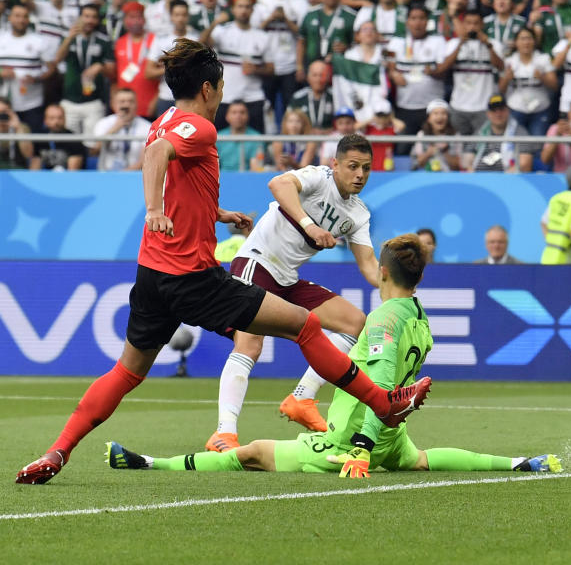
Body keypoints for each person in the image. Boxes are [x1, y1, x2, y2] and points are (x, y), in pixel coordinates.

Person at [15, 39, 431, 485]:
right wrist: (154, 209)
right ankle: (382, 404)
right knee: (305, 327)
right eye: (222, 88)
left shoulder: (163, 121)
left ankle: (57, 452)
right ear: (209, 88)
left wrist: (217, 213)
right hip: (194, 278)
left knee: (126, 372)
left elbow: (167, 167)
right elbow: (158, 160)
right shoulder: (202, 128)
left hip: (152, 274)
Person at [107, 234, 561, 477]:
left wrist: (359, 449)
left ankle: (150, 463)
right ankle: (517, 463)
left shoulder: (383, 319)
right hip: (392, 440)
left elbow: (381, 387)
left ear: (381, 271)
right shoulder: (419, 319)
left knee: (252, 454)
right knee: (424, 460)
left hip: (350, 441)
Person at [205, 132, 380, 451]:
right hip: (256, 263)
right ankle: (224, 432)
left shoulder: (358, 214)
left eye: (366, 168)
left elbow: (369, 267)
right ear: (335, 164)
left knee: (355, 322)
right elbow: (277, 184)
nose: (360, 175)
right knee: (250, 344)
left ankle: (302, 399)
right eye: (353, 166)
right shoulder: (317, 177)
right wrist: (309, 225)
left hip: (287, 280)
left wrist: (400, 285)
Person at [200, 0, 273, 133]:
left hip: (253, 98)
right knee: (217, 142)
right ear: (233, 9)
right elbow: (202, 44)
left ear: (252, 10)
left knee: (256, 143)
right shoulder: (222, 31)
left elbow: (272, 69)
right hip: (224, 98)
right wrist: (215, 23)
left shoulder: (262, 36)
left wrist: (256, 69)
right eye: (240, 6)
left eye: (247, 7)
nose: (244, 10)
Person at [384, 4, 448, 157]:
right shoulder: (396, 42)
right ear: (407, 21)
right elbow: (389, 65)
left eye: (421, 18)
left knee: (435, 152)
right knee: (401, 150)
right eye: (413, 18)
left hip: (432, 108)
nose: (417, 22)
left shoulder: (438, 41)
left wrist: (433, 72)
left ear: (427, 22)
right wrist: (393, 74)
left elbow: (444, 71)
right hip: (405, 108)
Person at [253, 0, 310, 125]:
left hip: (291, 65)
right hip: (267, 65)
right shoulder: (261, 2)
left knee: (291, 110)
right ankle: (268, 145)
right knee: (265, 107)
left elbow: (304, 34)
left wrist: (285, 20)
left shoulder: (300, 2)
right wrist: (270, 19)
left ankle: (290, 145)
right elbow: (253, 32)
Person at [436, 9, 505, 137]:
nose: (472, 27)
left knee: (481, 146)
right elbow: (443, 68)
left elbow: (500, 67)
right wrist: (460, 44)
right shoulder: (453, 44)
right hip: (458, 106)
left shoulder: (493, 44)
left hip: (483, 107)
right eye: (468, 23)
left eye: (476, 23)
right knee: (458, 147)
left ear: (482, 25)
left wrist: (488, 45)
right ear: (463, 25)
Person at [55, 3, 116, 146]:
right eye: (86, 16)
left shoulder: (104, 41)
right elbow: (57, 59)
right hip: (69, 100)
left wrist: (100, 67)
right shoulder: (68, 38)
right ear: (80, 18)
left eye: (94, 17)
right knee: (70, 146)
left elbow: (112, 72)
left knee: (93, 145)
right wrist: (69, 38)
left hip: (93, 101)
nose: (90, 20)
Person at [0, 3, 56, 133]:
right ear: (10, 18)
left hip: (31, 103)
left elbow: (51, 69)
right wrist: (1, 72)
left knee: (31, 139)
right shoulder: (1, 39)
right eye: (17, 16)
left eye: (25, 16)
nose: (21, 20)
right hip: (3, 103)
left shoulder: (39, 41)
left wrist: (37, 78)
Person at [499, 26, 557, 138]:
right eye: (522, 39)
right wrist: (507, 78)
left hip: (540, 110)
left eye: (529, 38)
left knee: (538, 144)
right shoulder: (509, 61)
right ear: (516, 42)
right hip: (516, 109)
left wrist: (542, 78)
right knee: (515, 144)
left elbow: (554, 86)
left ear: (534, 41)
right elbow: (501, 90)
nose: (526, 42)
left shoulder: (543, 59)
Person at [146, 0, 195, 118]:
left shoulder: (196, 40)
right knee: (164, 135)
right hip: (166, 97)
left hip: (190, 98)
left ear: (188, 17)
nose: (180, 18)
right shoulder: (161, 40)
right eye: (177, 15)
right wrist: (173, 67)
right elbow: (148, 73)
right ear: (171, 17)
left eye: (183, 15)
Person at [114, 1, 160, 118]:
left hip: (149, 104)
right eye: (131, 17)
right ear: (125, 20)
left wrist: (156, 100)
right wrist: (114, 99)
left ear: (144, 19)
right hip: (125, 105)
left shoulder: (155, 40)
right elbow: (114, 77)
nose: (135, 21)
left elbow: (164, 75)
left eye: (139, 17)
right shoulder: (120, 42)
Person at [91, 88, 152, 170]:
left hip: (135, 175)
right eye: (122, 102)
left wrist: (123, 174)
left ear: (136, 104)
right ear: (113, 105)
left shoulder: (147, 126)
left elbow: (145, 160)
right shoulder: (103, 123)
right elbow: (95, 151)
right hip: (107, 175)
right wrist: (114, 129)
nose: (126, 105)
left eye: (131, 101)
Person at [469, 94, 532, 172]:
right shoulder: (480, 132)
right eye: (494, 110)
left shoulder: (520, 133)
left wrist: (502, 179)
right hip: (479, 178)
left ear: (508, 111)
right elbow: (467, 162)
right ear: (488, 113)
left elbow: (525, 164)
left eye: (501, 109)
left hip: (507, 180)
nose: (498, 114)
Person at [30, 103, 87, 170]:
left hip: (65, 178)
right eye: (52, 118)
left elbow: (72, 173)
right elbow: (34, 170)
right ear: (45, 120)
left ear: (65, 119)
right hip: (44, 178)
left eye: (60, 118)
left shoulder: (73, 140)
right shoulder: (40, 139)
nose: (56, 122)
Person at [411, 98, 462, 172]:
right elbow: (417, 164)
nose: (440, 117)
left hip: (449, 177)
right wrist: (429, 152)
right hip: (426, 177)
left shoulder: (455, 135)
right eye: (435, 113)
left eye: (443, 113)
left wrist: (445, 151)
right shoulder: (421, 135)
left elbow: (457, 165)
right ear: (429, 118)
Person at [217, 100, 266, 171]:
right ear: (227, 116)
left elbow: (256, 168)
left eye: (242, 112)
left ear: (248, 116)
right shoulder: (218, 137)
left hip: (248, 179)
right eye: (234, 112)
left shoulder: (257, 138)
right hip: (222, 178)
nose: (238, 116)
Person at [289, 59, 336, 133]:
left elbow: (344, 125)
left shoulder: (335, 97)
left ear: (328, 77)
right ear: (308, 77)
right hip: (303, 140)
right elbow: (288, 124)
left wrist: (324, 133)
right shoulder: (298, 98)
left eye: (322, 75)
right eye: (315, 75)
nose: (318, 79)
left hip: (330, 140)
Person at [358, 100, 403, 172]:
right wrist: (372, 118)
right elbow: (357, 127)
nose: (381, 118)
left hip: (387, 167)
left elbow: (401, 126)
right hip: (370, 167)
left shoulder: (391, 129)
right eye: (379, 115)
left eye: (384, 116)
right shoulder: (369, 129)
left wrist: (391, 118)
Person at [0, 100, 36, 169]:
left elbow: (28, 154)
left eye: (4, 112)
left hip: (17, 169)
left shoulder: (21, 127)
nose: (1, 115)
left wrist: (18, 128)